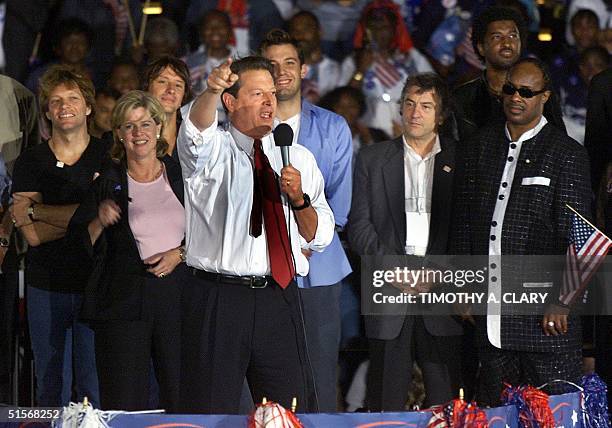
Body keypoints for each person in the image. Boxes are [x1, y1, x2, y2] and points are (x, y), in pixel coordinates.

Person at [177, 55, 334, 414]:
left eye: (272, 94)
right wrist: (212, 89)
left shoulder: (298, 158)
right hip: (218, 298)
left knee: (288, 410)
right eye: (257, 93)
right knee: (209, 409)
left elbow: (319, 236)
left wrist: (298, 200)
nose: (269, 102)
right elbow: (195, 130)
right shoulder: (212, 150)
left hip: (278, 298)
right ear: (230, 102)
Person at [451, 58, 591, 406]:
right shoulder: (479, 147)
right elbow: (464, 224)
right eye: (510, 89)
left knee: (556, 414)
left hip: (547, 322)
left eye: (527, 92)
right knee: (499, 413)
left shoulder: (566, 154)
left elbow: (582, 238)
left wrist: (563, 300)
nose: (516, 97)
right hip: (493, 319)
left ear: (544, 97)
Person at [349, 73, 462, 411]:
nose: (415, 113)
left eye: (426, 106)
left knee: (446, 399)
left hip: (442, 291)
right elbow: (359, 226)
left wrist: (436, 273)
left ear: (440, 115)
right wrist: (394, 270)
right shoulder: (372, 158)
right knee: (386, 397)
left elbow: (468, 229)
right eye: (409, 104)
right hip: (389, 288)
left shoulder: (463, 160)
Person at [70, 91, 186, 411]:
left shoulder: (180, 174)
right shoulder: (107, 180)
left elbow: (207, 232)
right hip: (122, 305)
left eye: (145, 124)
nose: (139, 133)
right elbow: (78, 242)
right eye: (130, 126)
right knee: (123, 402)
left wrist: (180, 254)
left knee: (181, 395)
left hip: (176, 302)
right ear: (119, 134)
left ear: (158, 128)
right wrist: (99, 221)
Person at [260, 29, 353, 412]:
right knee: (265, 379)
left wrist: (307, 243)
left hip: (319, 269)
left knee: (319, 379)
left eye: (289, 63)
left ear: (304, 69)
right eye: (271, 65)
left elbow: (341, 207)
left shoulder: (333, 127)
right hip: (260, 270)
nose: (281, 72)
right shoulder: (244, 129)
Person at [10, 65, 108, 407]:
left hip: (95, 284)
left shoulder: (107, 155)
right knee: (50, 384)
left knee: (93, 386)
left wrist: (39, 210)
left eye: (72, 98)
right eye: (55, 100)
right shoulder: (29, 162)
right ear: (47, 111)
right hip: (45, 286)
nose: (64, 106)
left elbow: (109, 218)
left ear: (88, 107)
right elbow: (33, 235)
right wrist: (87, 212)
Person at [453, 6, 565, 142]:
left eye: (512, 36)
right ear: (481, 48)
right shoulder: (462, 98)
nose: (506, 43)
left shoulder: (538, 92)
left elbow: (559, 141)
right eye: (497, 37)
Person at [340, 0, 433, 138]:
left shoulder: (412, 57)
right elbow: (342, 102)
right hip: (367, 135)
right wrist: (361, 70)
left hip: (407, 132)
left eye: (384, 27)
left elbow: (433, 95)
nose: (377, 33)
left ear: (395, 28)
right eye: (372, 27)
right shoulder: (353, 61)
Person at [143, 56, 192, 159]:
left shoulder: (194, 140)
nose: (171, 90)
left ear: (183, 96)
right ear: (147, 88)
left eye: (178, 85)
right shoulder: (129, 136)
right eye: (162, 81)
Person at [288, 11, 341, 104]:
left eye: (306, 29)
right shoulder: (281, 70)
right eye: (295, 31)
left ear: (320, 32)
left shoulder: (337, 70)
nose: (300, 36)